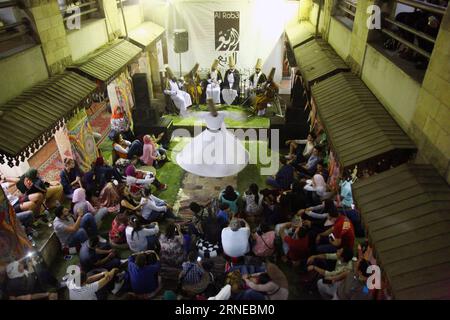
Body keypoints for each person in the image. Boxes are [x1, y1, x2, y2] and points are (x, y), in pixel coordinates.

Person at [176, 99, 249, 177]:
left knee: (219, 149)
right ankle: (208, 163)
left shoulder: (216, 114)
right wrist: (188, 113)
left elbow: (232, 114)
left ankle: (217, 164)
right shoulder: (213, 114)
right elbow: (195, 114)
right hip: (210, 134)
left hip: (215, 134)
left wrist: (240, 116)